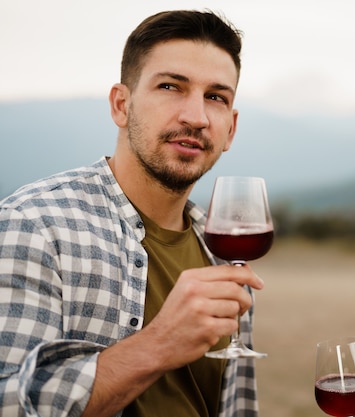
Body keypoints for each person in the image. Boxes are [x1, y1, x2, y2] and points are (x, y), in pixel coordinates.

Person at [0, 10, 266, 417]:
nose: (195, 117)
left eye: (216, 97)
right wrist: (159, 344)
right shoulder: (35, 226)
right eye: (170, 86)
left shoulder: (224, 260)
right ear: (121, 105)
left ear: (230, 129)